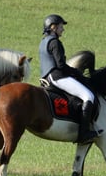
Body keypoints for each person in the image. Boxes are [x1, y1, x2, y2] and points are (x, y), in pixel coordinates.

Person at [39, 14, 100, 144]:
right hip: (57, 77)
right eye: (61, 26)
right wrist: (76, 73)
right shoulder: (55, 42)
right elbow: (61, 65)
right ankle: (84, 133)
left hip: (47, 77)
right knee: (88, 96)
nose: (63, 29)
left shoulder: (43, 42)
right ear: (53, 27)